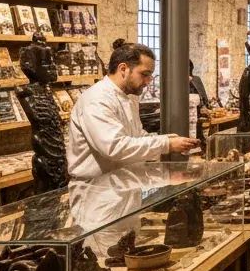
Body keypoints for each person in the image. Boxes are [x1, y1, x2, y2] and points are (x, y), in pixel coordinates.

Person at [67, 39, 197, 180]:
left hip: (124, 183)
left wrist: (166, 140)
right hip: (97, 189)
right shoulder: (97, 99)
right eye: (144, 74)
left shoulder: (129, 97)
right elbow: (115, 147)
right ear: (123, 69)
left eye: (150, 76)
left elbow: (136, 136)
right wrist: (166, 144)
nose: (148, 81)